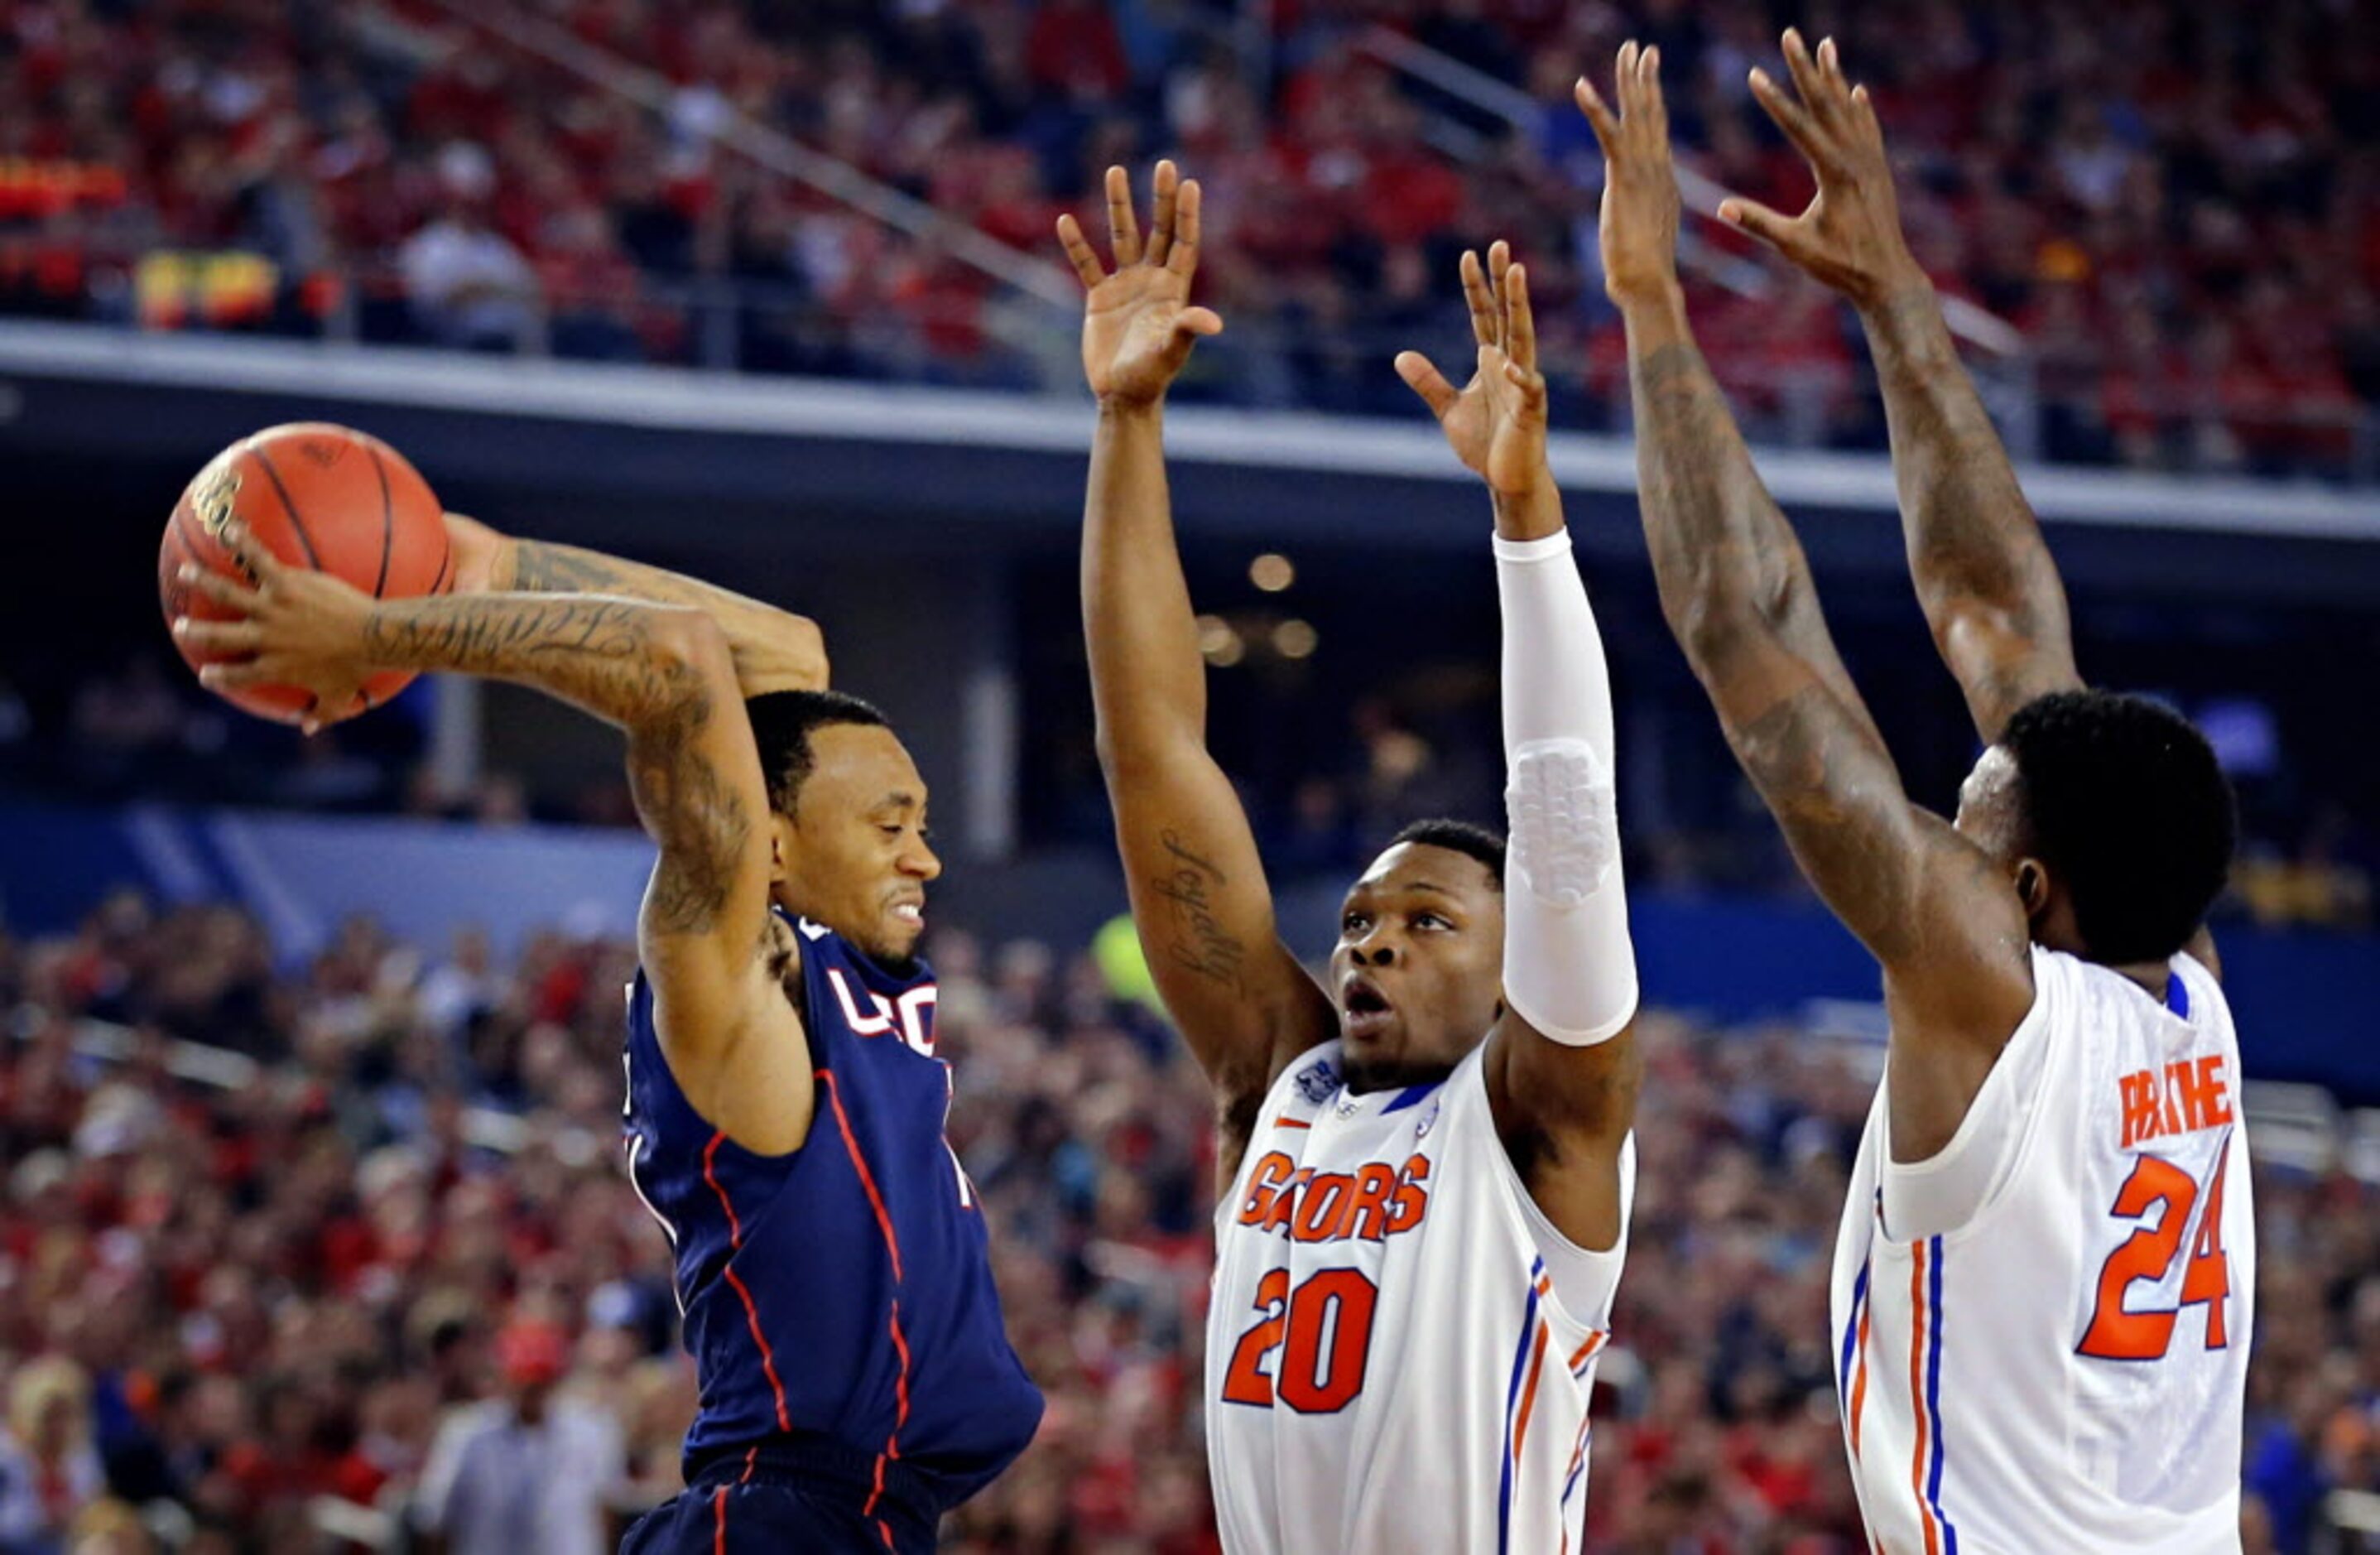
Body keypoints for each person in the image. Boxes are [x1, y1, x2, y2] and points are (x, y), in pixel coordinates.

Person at [1581, 37, 2250, 1551]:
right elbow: (2005, 626)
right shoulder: (2187, 993)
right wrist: (1895, 299)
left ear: (2020, 890)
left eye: (1971, 814)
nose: (1944, 826)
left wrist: (1650, 306)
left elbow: (1745, 631)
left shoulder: (1992, 997)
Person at [169, 511, 1042, 1553]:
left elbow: (783, 653)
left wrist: (481, 567)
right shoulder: (741, 982)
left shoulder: (852, 982)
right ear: (768, 846)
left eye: (926, 826)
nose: (925, 859)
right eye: (890, 826)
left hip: (869, 1522)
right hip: (777, 1518)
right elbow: (676, 664)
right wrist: (383, 632)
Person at [1060, 162, 1642, 1552]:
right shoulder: (1282, 1077)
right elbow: (1154, 756)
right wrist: (1125, 424)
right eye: (1367, 917)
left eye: (1429, 921)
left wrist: (1527, 524)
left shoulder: (1543, 1122)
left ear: (1521, 971)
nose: (1370, 939)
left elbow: (1563, 805)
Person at [412, 1318, 624, 1555]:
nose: (530, 1392)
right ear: (503, 1378)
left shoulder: (591, 1431)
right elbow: (436, 1519)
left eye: (540, 1383)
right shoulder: (466, 1434)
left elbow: (606, 1512)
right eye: (521, 1382)